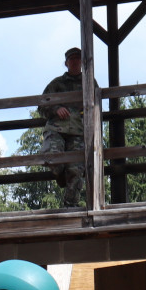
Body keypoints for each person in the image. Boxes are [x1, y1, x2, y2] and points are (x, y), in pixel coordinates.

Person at [36, 46, 92, 208]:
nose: (75, 62)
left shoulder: (89, 82)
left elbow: (96, 105)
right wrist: (55, 108)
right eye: (72, 59)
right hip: (56, 129)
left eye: (78, 59)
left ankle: (70, 205)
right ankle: (60, 173)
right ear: (66, 63)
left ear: (82, 62)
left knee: (76, 171)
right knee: (52, 158)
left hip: (78, 132)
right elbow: (41, 105)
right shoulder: (56, 84)